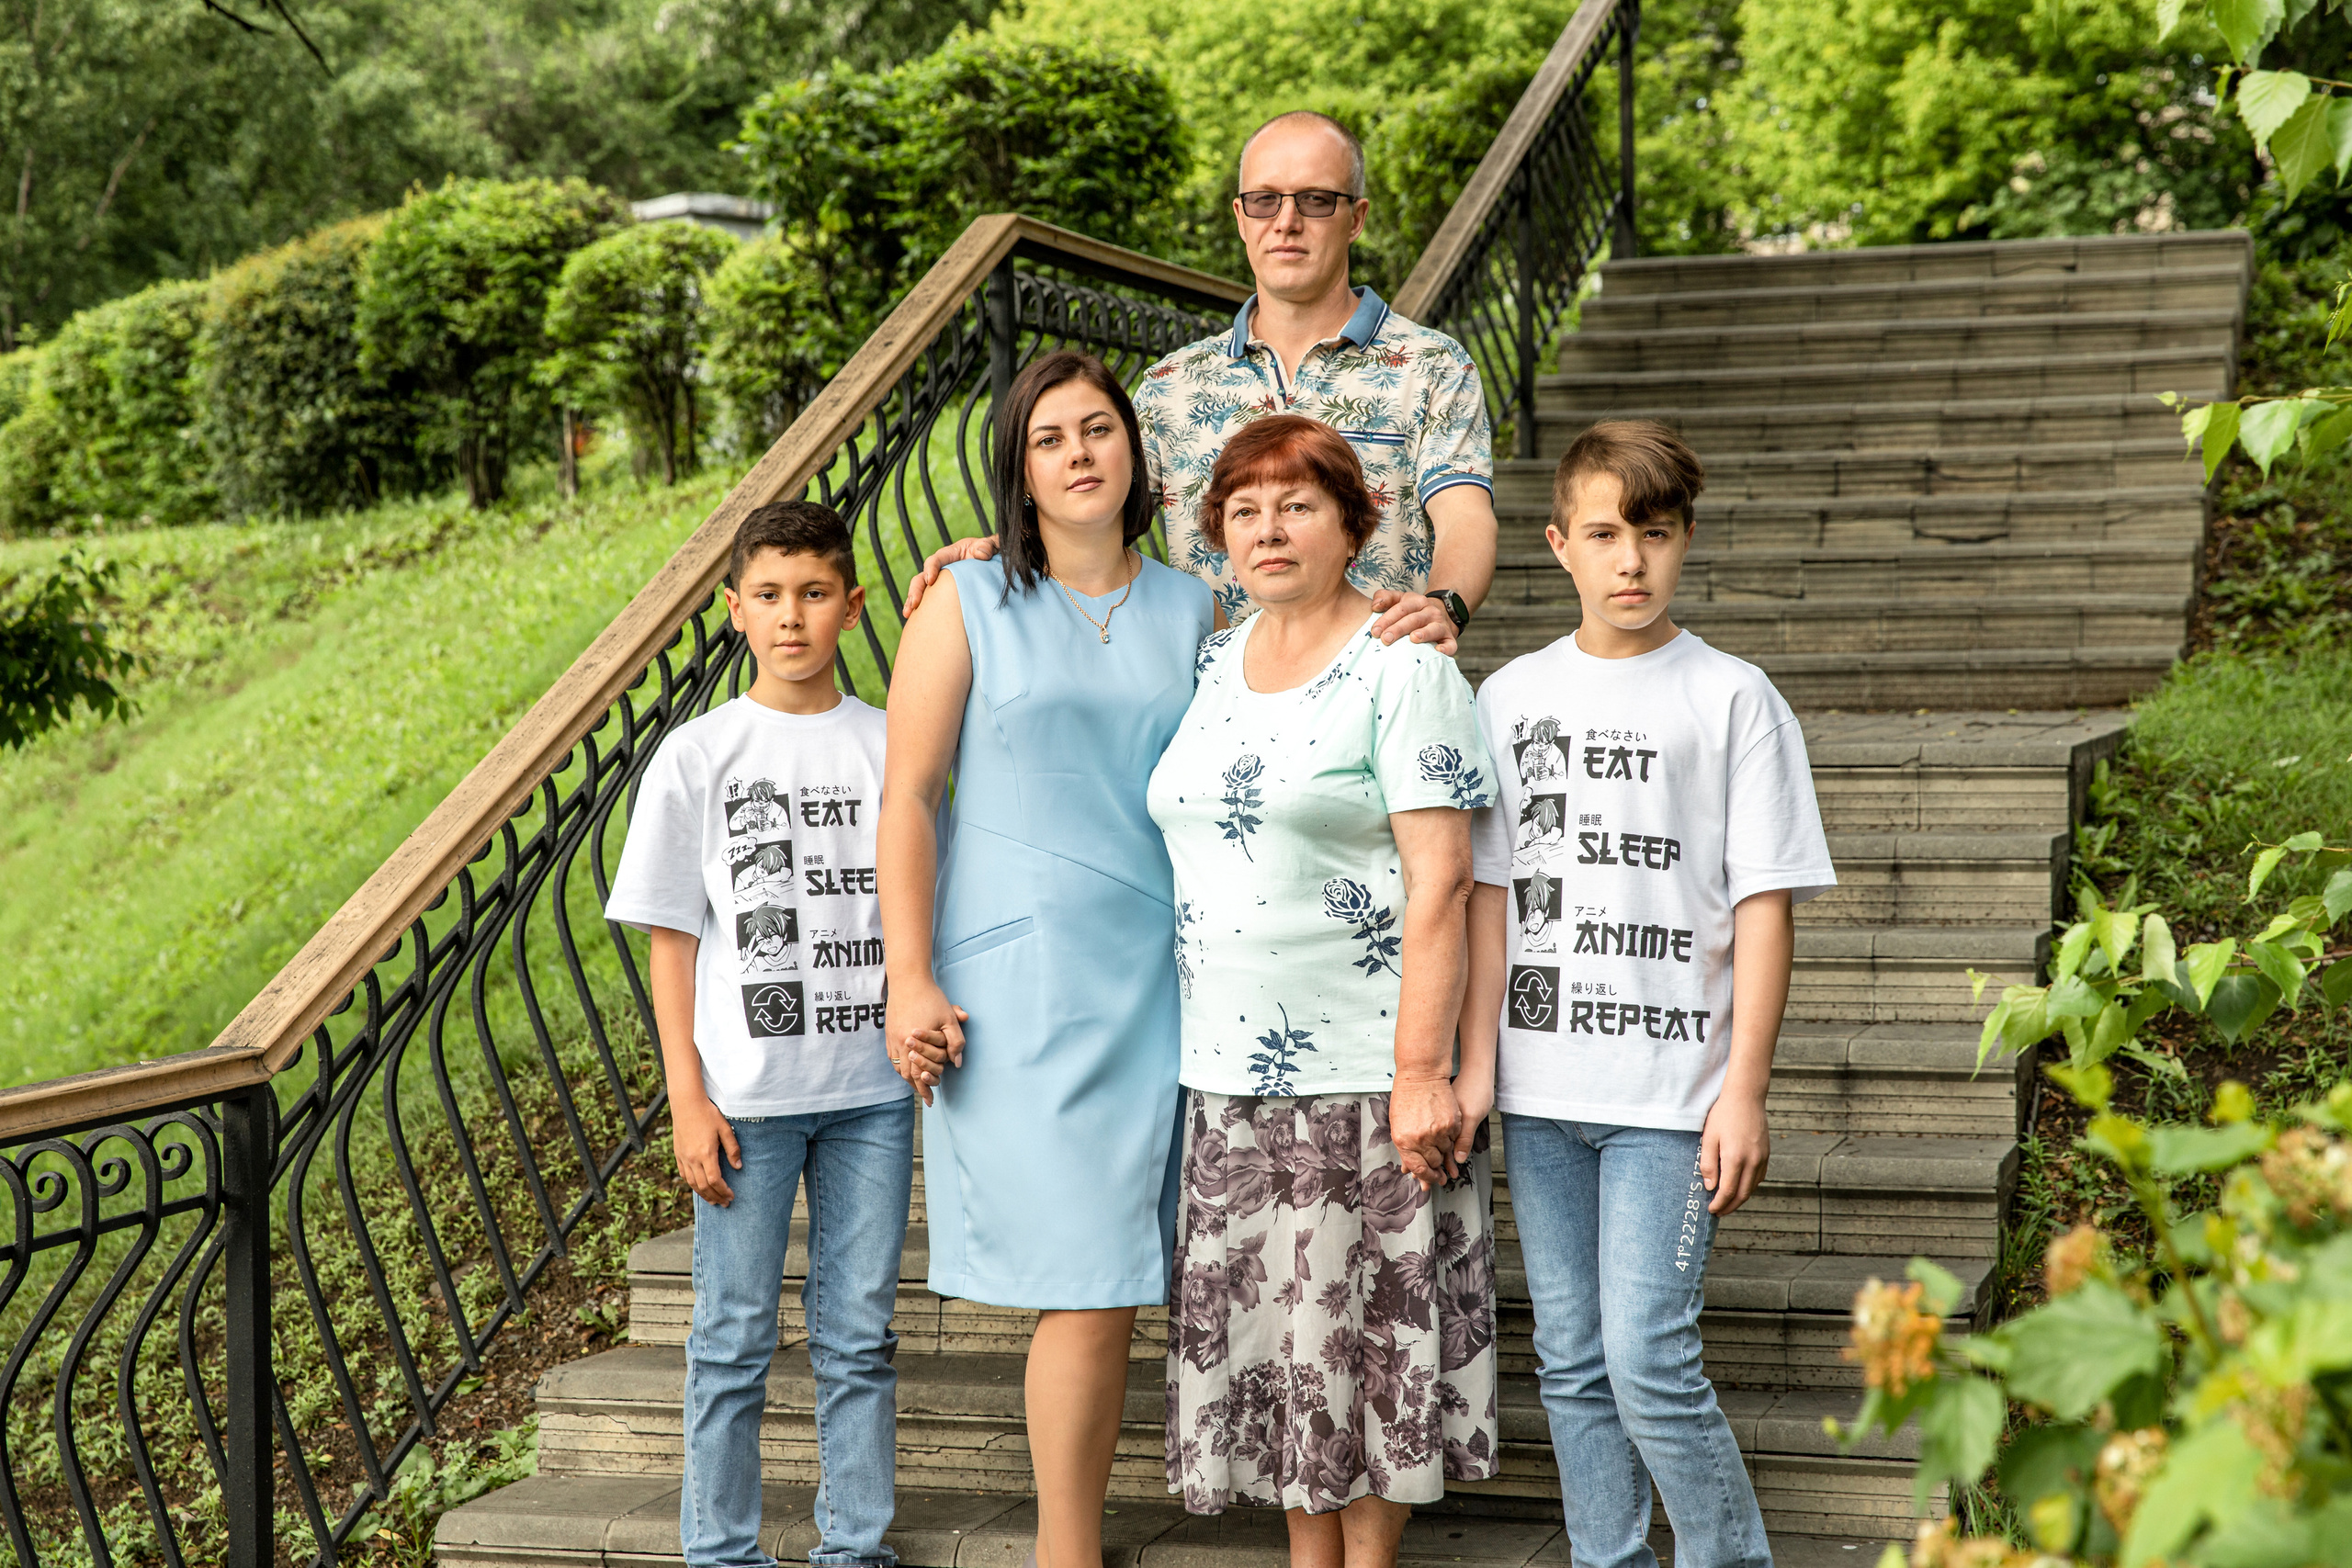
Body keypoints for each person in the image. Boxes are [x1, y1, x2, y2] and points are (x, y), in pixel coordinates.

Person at [1461, 421, 1838, 1568]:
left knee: (1647, 1360)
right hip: (1539, 1088)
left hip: (1674, 1098)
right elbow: (1486, 899)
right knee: (1569, 1357)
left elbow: (1762, 904)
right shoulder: (1509, 695)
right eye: (1604, 534)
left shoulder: (1732, 697)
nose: (1630, 561)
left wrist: (1745, 1093)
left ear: (1683, 544)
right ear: (1558, 546)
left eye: (1654, 535)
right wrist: (1476, 1067)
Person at [876, 349, 1219, 1568]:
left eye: (1097, 430)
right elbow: (909, 794)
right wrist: (905, 973)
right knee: (1085, 1270)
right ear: (1020, 474)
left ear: (1135, 452)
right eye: (1048, 439)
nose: (1078, 453)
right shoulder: (964, 601)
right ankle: (1064, 1550)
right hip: (1021, 983)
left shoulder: (1194, 607)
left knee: (1140, 1260)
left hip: (1166, 976)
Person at [1146, 414, 1500, 1563]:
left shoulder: (1406, 665)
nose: (1269, 529)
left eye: (1297, 505)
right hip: (1227, 1076)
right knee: (1285, 1360)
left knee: (1367, 1347)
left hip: (1365, 1077)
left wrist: (1421, 1074)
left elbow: (1442, 879)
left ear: (1356, 524)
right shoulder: (1210, 664)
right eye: (1243, 510)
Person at [605, 501, 910, 1568]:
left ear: (851, 604)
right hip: (745, 1101)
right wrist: (687, 1097)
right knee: (730, 1342)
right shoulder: (699, 757)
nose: (793, 618)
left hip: (872, 1094)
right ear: (735, 610)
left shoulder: (890, 747)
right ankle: (721, 1553)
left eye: (815, 593)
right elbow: (672, 946)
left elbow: (920, 913)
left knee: (858, 1339)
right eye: (770, 596)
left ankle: (854, 1548)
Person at [901, 110, 1496, 653]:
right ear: (1240, 217)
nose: (1286, 221)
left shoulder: (1433, 366)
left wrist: (1444, 604)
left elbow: (1465, 515)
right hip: (1221, 702)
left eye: (1315, 200)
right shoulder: (1170, 385)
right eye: (1264, 200)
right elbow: (1099, 511)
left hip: (1381, 683)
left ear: (1356, 217)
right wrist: (996, 547)